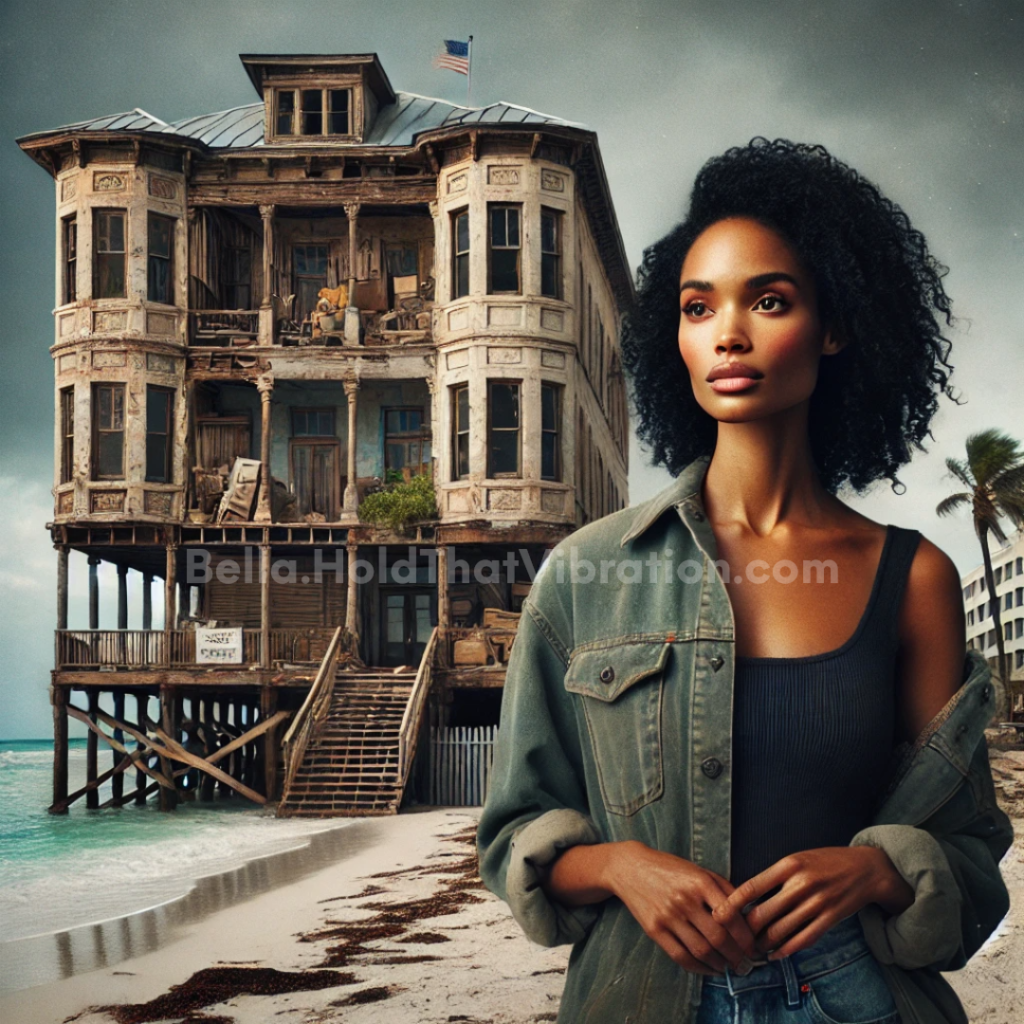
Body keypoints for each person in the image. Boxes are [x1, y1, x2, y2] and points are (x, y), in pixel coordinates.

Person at [476, 138, 1013, 1024]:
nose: (728, 332)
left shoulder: (915, 577)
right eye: (697, 307)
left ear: (834, 326)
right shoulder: (586, 573)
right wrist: (618, 865)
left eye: (769, 300)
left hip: (857, 994)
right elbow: (513, 833)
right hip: (643, 993)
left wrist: (878, 868)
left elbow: (968, 850)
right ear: (673, 339)